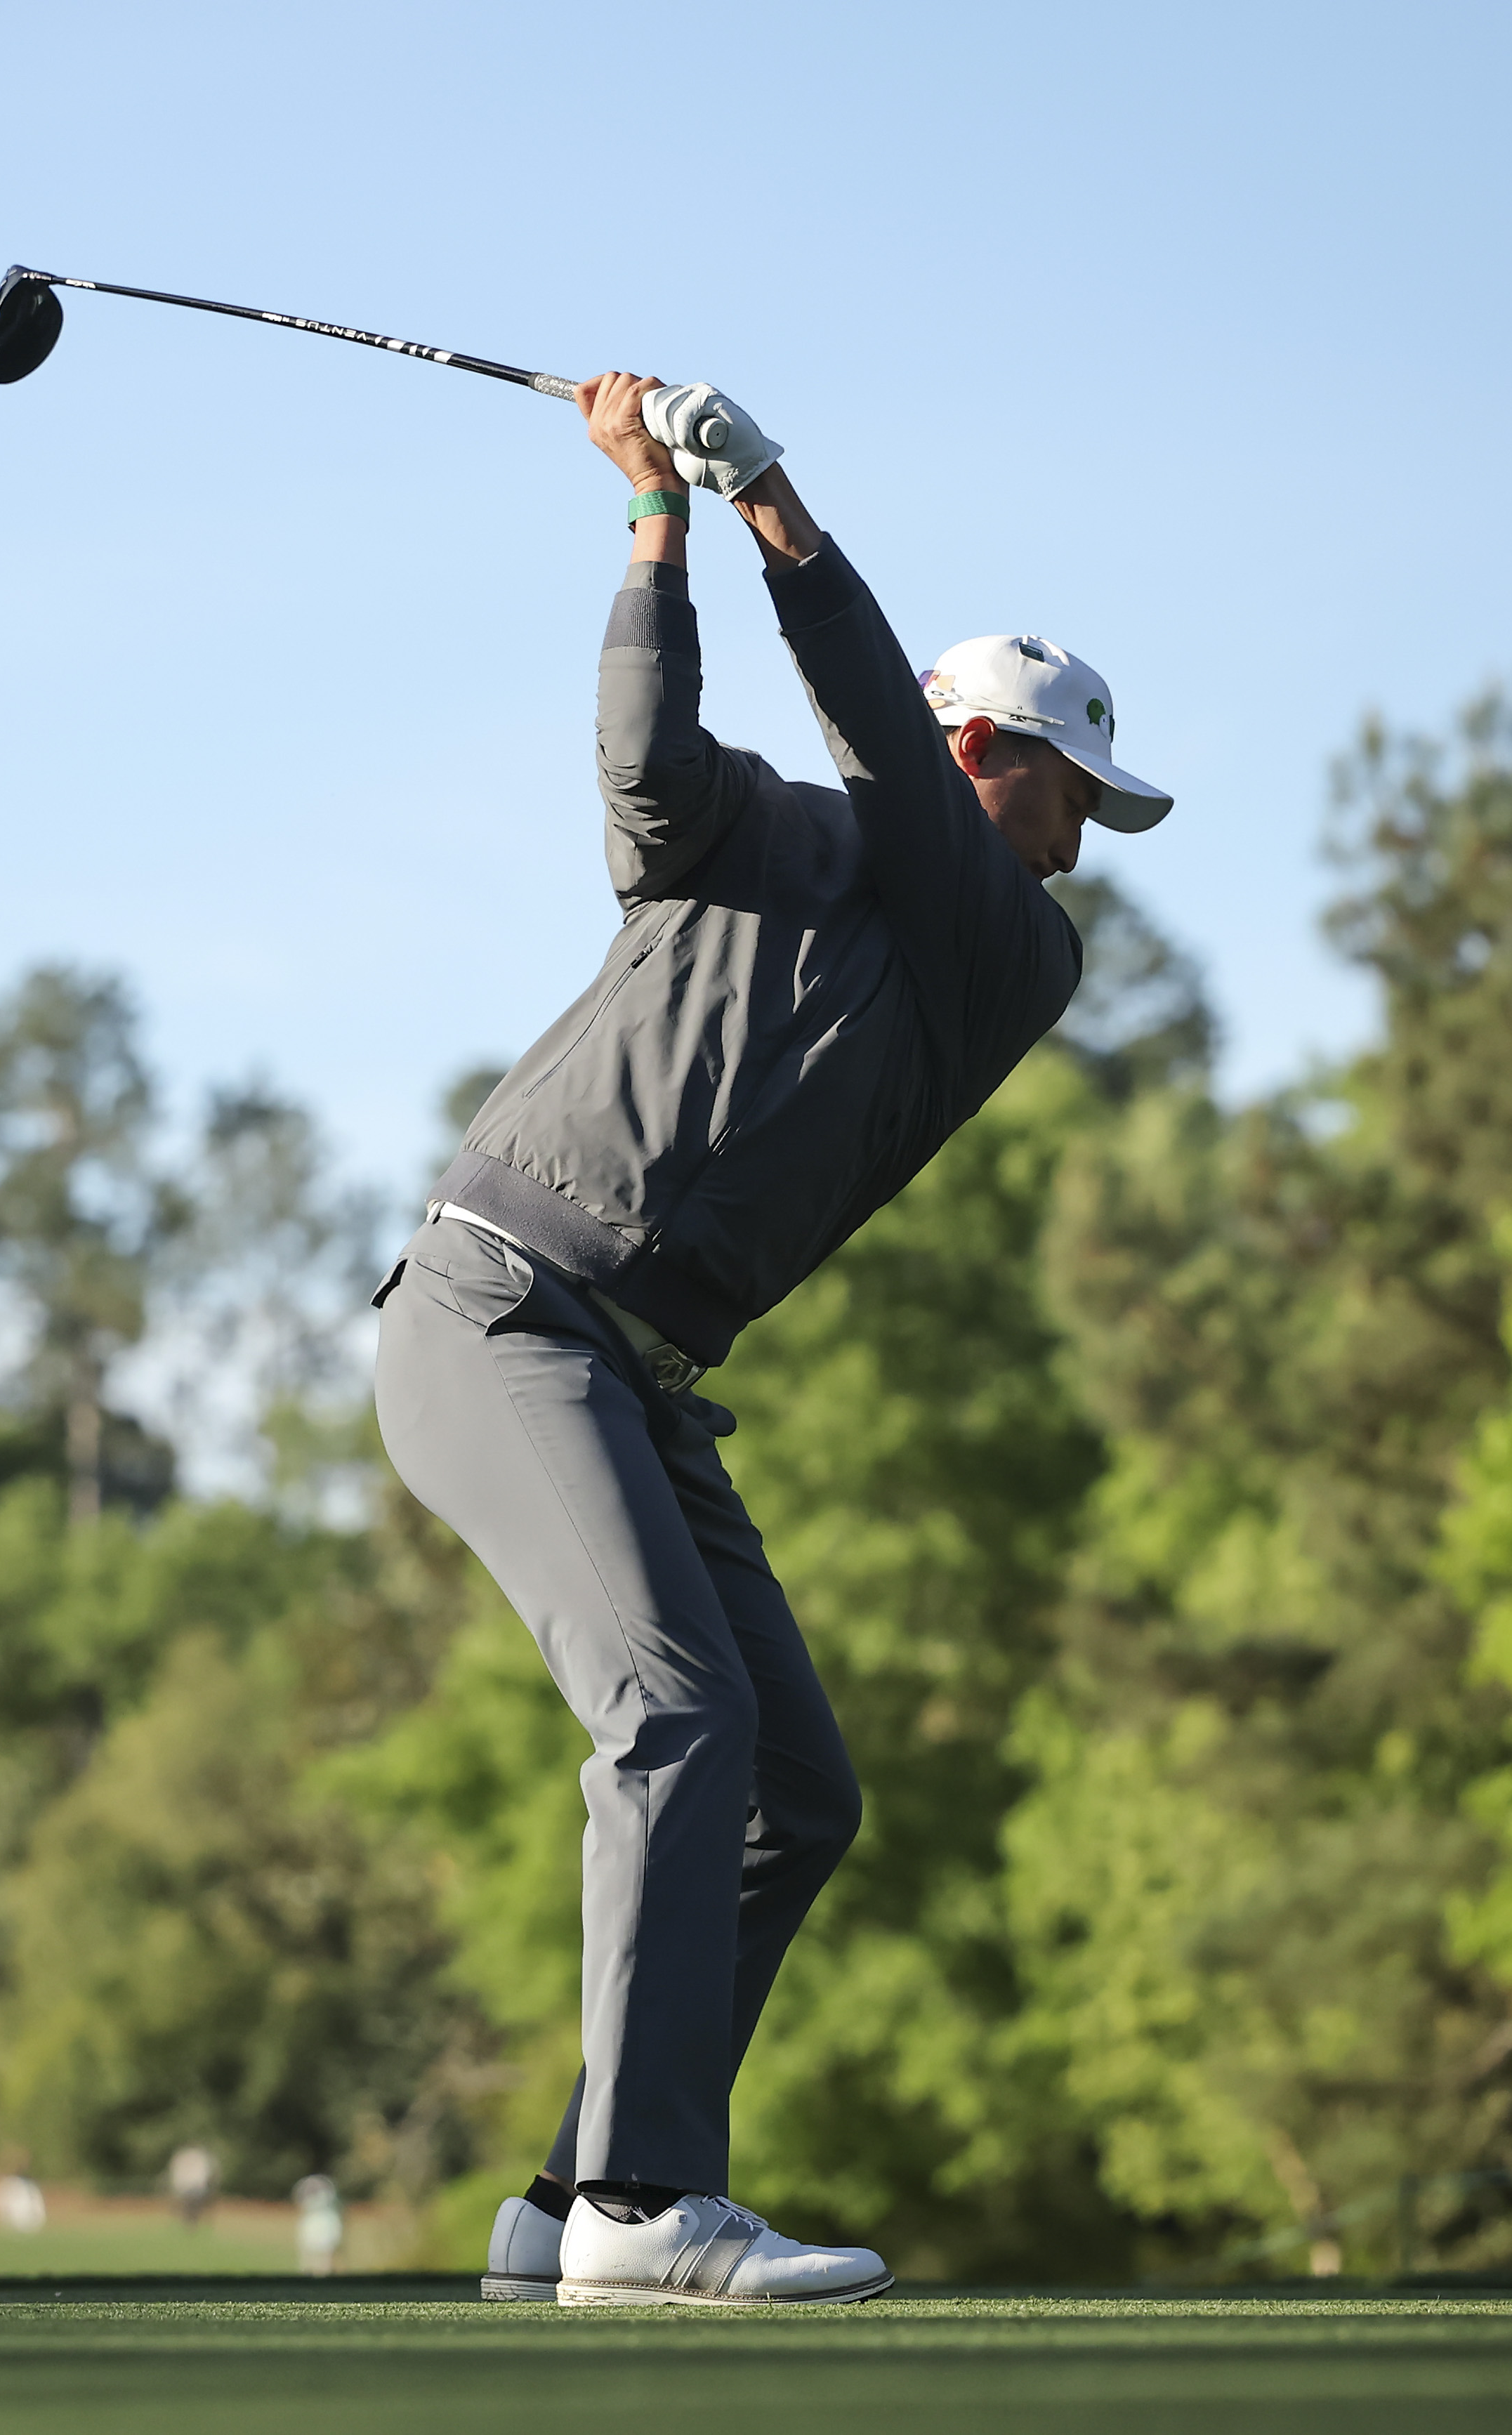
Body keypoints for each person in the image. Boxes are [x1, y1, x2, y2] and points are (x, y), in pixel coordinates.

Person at [385, 374, 1174, 2309]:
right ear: (991, 751)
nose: (1082, 844)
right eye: (1070, 795)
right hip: (497, 1306)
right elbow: (648, 760)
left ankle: (574, 2192)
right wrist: (665, 521)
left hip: (630, 1369)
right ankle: (648, 2206)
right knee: (675, 1716)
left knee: (791, 1786)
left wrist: (781, 515)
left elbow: (893, 786)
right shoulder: (752, 839)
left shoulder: (1015, 952)